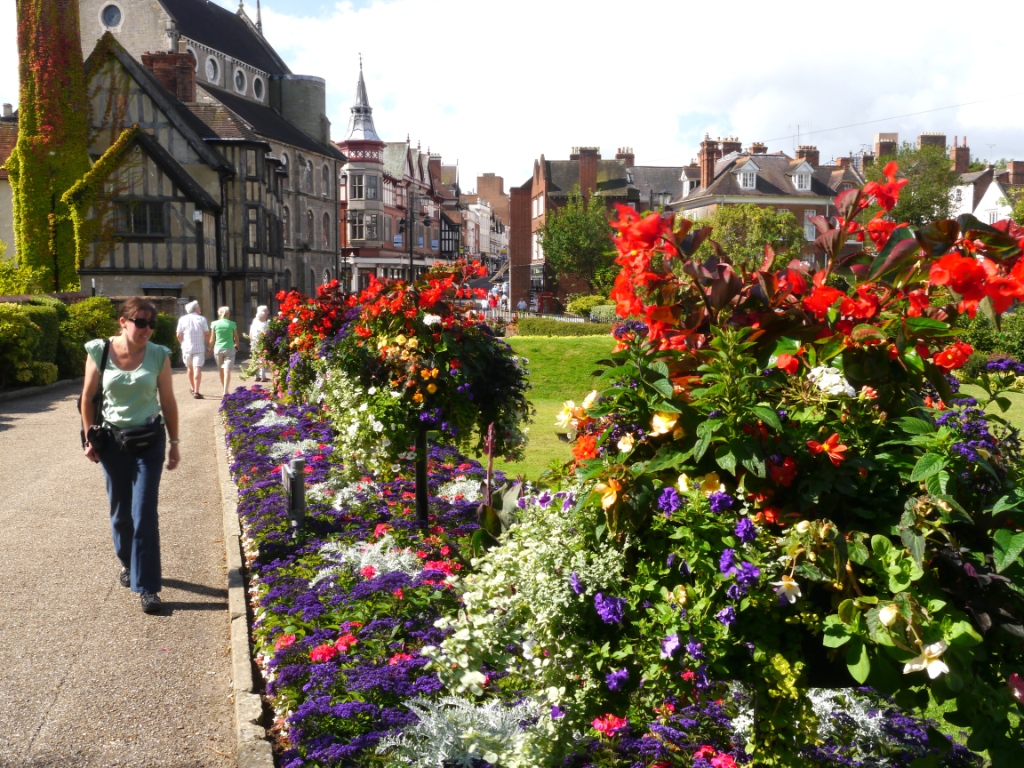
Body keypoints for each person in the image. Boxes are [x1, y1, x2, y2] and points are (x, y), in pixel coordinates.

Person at [81, 297, 180, 614]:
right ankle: (128, 562)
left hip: (149, 440)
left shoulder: (158, 355)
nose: (147, 329)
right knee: (121, 513)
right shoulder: (99, 350)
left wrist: (175, 442)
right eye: (141, 322)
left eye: (151, 323)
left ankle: (148, 587)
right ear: (123, 322)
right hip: (111, 442)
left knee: (144, 513)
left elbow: (168, 401)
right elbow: (87, 398)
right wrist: (90, 438)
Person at [176, 301, 210, 399]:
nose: (200, 309)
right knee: (197, 368)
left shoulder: (182, 319)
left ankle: (192, 387)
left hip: (186, 347)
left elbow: (178, 334)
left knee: (190, 368)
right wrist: (210, 345)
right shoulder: (202, 319)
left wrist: (182, 344)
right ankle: (196, 391)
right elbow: (207, 333)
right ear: (195, 309)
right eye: (199, 307)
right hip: (199, 347)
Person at [208, 306, 240, 399]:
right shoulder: (232, 324)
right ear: (228, 314)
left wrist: (209, 348)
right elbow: (236, 337)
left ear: (219, 313)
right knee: (227, 370)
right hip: (229, 348)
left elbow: (212, 338)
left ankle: (224, 389)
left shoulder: (214, 324)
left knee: (221, 370)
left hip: (218, 349)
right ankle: (225, 390)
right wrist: (237, 345)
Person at [249, 305, 270, 382]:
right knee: (262, 359)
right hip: (261, 343)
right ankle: (262, 376)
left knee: (256, 359)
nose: (268, 312)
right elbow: (267, 334)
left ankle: (257, 376)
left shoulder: (255, 321)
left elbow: (250, 333)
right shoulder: (264, 323)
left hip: (254, 343)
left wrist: (251, 342)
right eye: (266, 311)